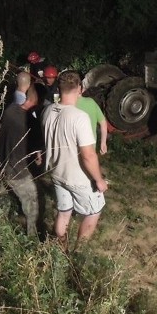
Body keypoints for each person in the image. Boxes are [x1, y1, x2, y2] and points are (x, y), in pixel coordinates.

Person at [42, 70, 108, 250]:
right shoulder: (79, 117)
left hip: (57, 173)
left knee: (63, 213)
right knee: (94, 211)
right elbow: (88, 155)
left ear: (58, 87)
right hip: (78, 178)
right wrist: (99, 180)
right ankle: (79, 254)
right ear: (79, 88)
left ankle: (62, 250)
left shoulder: (48, 111)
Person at [0, 85, 42, 238]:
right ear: (36, 100)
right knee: (31, 198)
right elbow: (35, 145)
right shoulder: (27, 122)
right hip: (17, 169)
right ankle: (32, 235)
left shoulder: (10, 110)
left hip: (0, 163)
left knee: (0, 196)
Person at [76, 89, 108, 155]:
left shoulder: (65, 105)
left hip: (70, 150)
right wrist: (103, 143)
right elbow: (103, 122)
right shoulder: (91, 102)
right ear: (83, 90)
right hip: (90, 149)